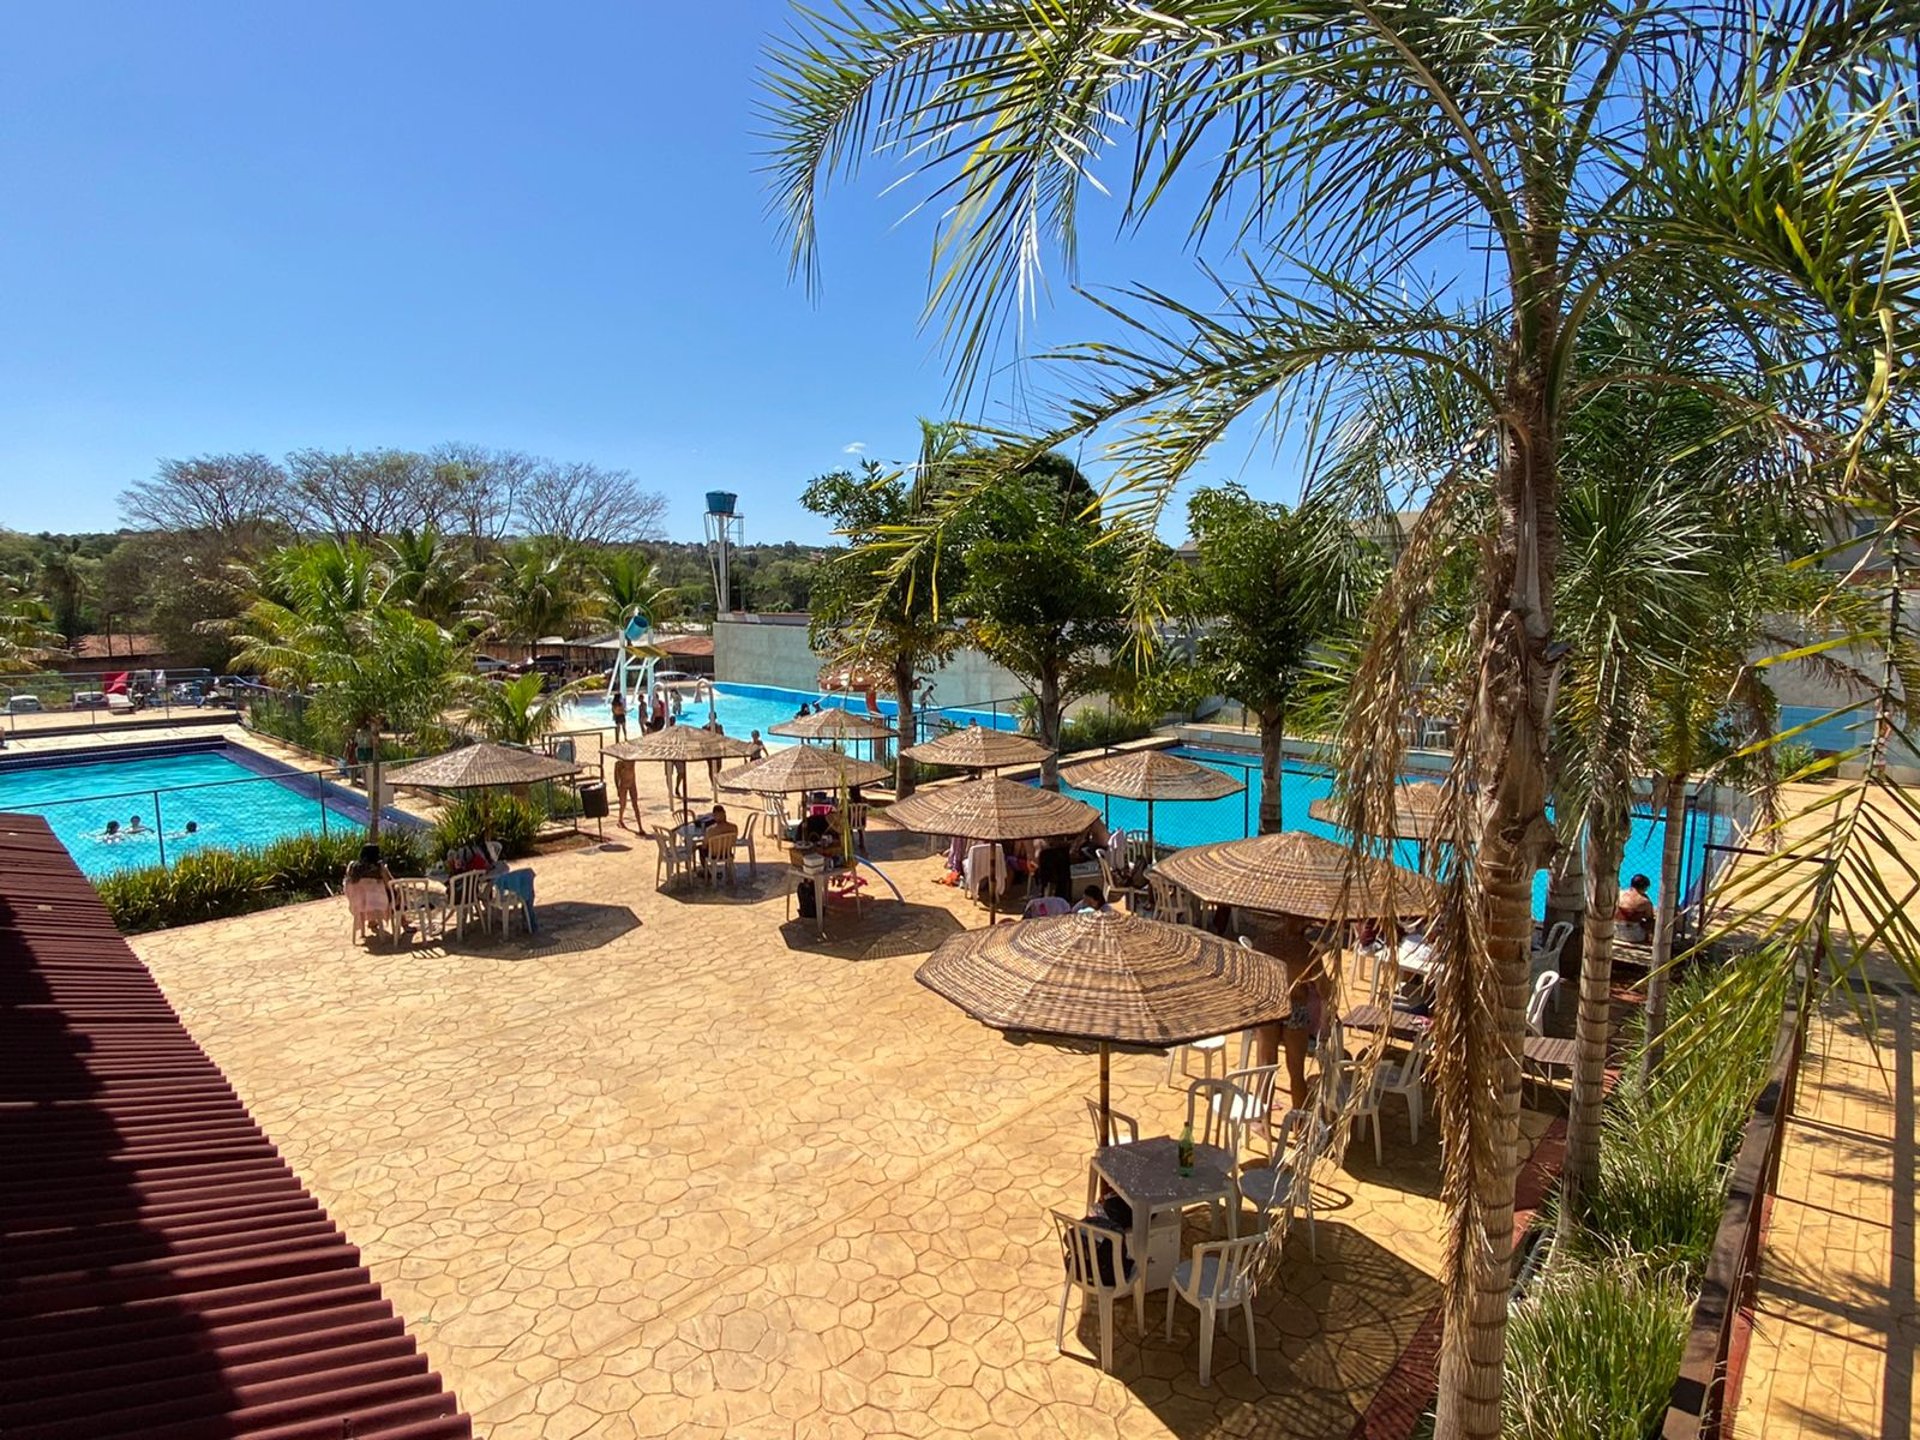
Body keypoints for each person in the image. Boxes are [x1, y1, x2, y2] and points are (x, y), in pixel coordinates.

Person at [1249, 915, 1326, 1112]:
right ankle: (1299, 1121)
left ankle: (1261, 1118)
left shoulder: (1263, 944)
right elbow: (1326, 990)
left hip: (1270, 1006)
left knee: (1266, 1066)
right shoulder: (1308, 953)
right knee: (1296, 1070)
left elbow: (1252, 979)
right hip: (1295, 1008)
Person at [344, 842, 396, 944]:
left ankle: (372, 922)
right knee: (396, 894)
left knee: (368, 896)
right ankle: (403, 922)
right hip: (378, 902)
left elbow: (347, 882)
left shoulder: (352, 866)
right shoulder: (378, 867)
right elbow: (390, 883)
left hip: (358, 901)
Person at [1615, 873, 1655, 941]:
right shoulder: (1645, 902)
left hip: (1615, 931)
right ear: (1644, 887)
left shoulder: (1619, 894)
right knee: (1652, 922)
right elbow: (1649, 918)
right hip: (1634, 935)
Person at [614, 757, 641, 830]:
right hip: (623, 785)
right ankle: (620, 819)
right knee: (623, 804)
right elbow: (616, 777)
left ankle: (640, 826)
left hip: (632, 783)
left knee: (635, 805)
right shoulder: (619, 763)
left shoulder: (632, 760)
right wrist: (618, 788)